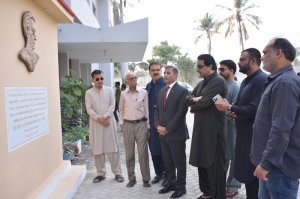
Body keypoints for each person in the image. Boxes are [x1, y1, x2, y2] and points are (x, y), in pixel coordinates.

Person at [251, 38, 300, 198]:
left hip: (279, 168)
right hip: (272, 166)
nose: (262, 57)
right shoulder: (278, 80)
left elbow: (281, 129)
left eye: (265, 52)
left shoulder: (285, 83)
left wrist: (266, 163)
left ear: (278, 53)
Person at [215, 48, 267, 199]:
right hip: (244, 138)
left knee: (255, 185)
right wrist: (233, 109)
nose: (239, 62)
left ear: (252, 61)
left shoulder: (261, 80)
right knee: (249, 181)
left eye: (242, 59)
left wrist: (230, 107)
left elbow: (256, 108)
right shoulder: (246, 80)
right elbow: (241, 104)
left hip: (254, 139)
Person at [187, 54, 227, 199]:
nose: (197, 69)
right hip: (201, 129)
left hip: (213, 131)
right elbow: (188, 99)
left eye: (200, 66)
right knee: (201, 163)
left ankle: (216, 195)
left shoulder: (218, 81)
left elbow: (204, 103)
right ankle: (207, 193)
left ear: (210, 66)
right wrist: (197, 101)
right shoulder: (202, 83)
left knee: (214, 165)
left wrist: (197, 103)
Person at [155, 65, 189, 198]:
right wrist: (158, 126)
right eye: (164, 73)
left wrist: (167, 128)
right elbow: (156, 110)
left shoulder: (182, 91)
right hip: (162, 134)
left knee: (179, 163)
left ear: (175, 75)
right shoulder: (162, 91)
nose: (165, 75)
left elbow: (181, 113)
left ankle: (181, 188)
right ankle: (171, 184)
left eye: (168, 73)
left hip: (176, 134)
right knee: (168, 162)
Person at [85, 70, 124, 184]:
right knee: (98, 149)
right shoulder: (89, 93)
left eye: (101, 78)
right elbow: (89, 109)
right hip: (96, 124)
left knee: (113, 148)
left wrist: (105, 117)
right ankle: (100, 174)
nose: (100, 81)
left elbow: (113, 106)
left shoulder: (109, 90)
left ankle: (117, 173)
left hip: (108, 123)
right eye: (97, 79)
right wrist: (99, 119)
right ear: (93, 80)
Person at [119, 72, 151, 188]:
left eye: (135, 78)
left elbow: (147, 110)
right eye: (131, 78)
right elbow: (121, 109)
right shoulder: (123, 94)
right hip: (127, 125)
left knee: (143, 153)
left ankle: (146, 179)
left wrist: (148, 126)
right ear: (126, 81)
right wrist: (121, 123)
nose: (134, 80)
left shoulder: (144, 92)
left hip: (141, 124)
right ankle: (131, 178)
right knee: (129, 154)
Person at [218, 60, 241, 198]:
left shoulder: (236, 87)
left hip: (232, 127)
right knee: (223, 157)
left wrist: (225, 109)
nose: (220, 71)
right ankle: (220, 184)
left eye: (223, 69)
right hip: (220, 127)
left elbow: (234, 110)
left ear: (231, 71)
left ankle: (233, 186)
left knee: (234, 157)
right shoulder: (221, 86)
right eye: (219, 69)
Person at [145, 62, 166, 185]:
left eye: (158, 69)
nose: (155, 72)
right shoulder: (148, 86)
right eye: (153, 70)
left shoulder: (165, 85)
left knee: (164, 151)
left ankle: (167, 175)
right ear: (149, 72)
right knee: (154, 151)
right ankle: (158, 174)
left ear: (161, 70)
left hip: (162, 124)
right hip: (150, 124)